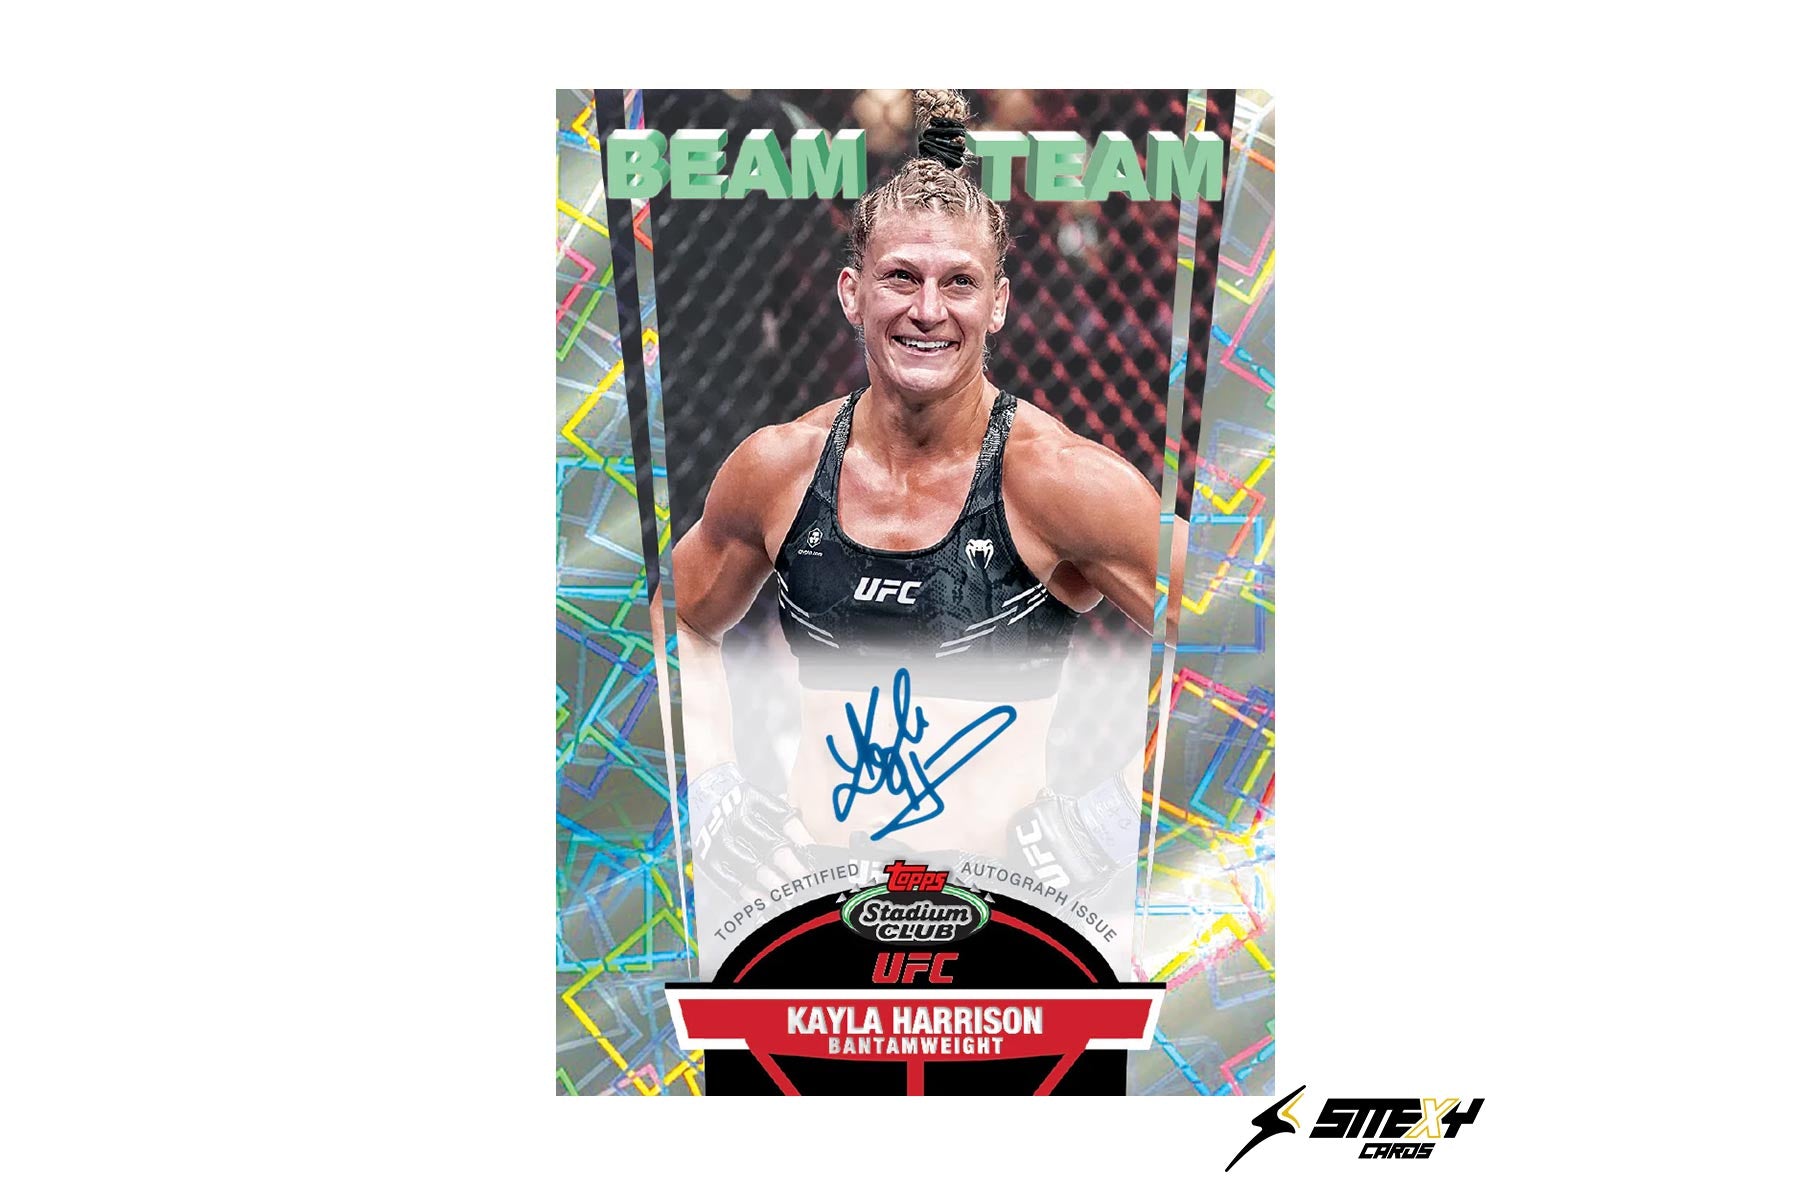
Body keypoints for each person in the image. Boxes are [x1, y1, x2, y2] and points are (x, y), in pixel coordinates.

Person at [671, 91, 1165, 914]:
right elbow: (676, 619)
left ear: (997, 302)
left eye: (958, 283)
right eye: (900, 277)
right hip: (816, 905)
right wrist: (713, 789)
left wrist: (1111, 820)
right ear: (852, 292)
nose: (928, 310)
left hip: (1000, 915)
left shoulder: (1060, 482)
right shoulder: (780, 468)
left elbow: (1236, 650)